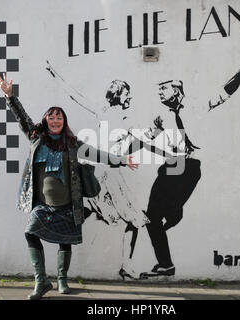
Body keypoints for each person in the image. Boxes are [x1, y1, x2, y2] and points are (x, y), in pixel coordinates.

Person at [0, 73, 139, 300]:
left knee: (65, 241)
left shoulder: (73, 144)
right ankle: (41, 280)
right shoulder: (36, 138)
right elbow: (22, 118)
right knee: (30, 232)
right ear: (45, 121)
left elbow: (98, 154)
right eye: (51, 117)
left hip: (68, 204)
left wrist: (123, 160)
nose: (55, 121)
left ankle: (61, 279)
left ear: (64, 122)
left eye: (59, 117)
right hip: (42, 205)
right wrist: (10, 97)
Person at [126, 63, 240, 278]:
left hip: (189, 166)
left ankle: (174, 214)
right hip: (171, 165)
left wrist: (239, 73)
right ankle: (166, 264)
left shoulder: (196, 106)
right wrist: (125, 151)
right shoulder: (161, 117)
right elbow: (146, 137)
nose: (159, 91)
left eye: (164, 87)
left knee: (165, 214)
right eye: (158, 88)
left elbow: (224, 92)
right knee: (151, 217)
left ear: (177, 89)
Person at [84, 80, 150, 280]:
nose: (129, 97)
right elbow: (143, 141)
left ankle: (126, 266)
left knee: (128, 218)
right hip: (107, 174)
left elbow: (142, 140)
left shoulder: (107, 113)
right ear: (118, 94)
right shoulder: (122, 117)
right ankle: (126, 266)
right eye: (126, 94)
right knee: (133, 219)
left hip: (104, 172)